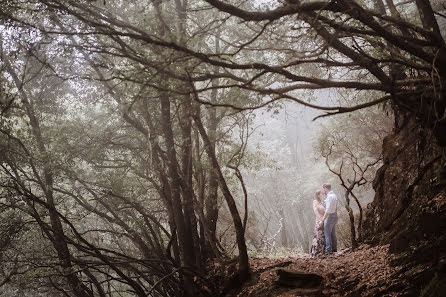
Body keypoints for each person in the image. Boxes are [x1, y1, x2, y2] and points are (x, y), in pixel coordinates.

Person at [319, 183, 338, 254]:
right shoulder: (334, 195)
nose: (322, 190)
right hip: (335, 215)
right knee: (333, 233)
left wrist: (322, 220)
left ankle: (328, 251)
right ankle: (334, 249)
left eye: (323, 189)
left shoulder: (330, 197)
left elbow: (328, 210)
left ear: (325, 188)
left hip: (330, 216)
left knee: (327, 234)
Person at [310, 190, 326, 257]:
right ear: (318, 195)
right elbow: (316, 211)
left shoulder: (322, 202)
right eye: (321, 194)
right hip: (319, 220)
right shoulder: (315, 202)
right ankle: (315, 252)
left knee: (323, 236)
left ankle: (323, 251)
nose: (322, 195)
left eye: (322, 194)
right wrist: (320, 220)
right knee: (318, 236)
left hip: (324, 220)